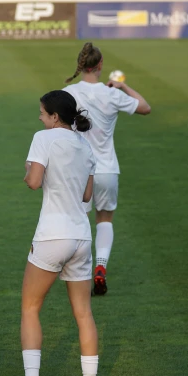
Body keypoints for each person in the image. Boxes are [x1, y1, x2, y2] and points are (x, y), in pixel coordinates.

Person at [3, 90, 99, 376]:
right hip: (82, 237)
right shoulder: (85, 145)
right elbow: (86, 196)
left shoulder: (43, 138)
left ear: (54, 117)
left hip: (52, 236)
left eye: (43, 113)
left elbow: (33, 181)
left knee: (30, 307)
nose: (40, 118)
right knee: (83, 313)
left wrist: (29, 174)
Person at [62, 42, 151, 296]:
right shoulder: (112, 94)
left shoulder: (68, 92)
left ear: (81, 65)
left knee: (79, 220)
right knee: (105, 219)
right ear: (100, 65)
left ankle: (78, 270)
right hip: (107, 169)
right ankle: (100, 267)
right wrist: (122, 85)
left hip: (79, 170)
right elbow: (145, 107)